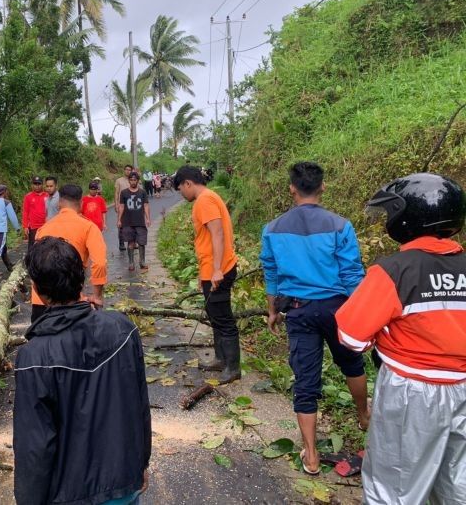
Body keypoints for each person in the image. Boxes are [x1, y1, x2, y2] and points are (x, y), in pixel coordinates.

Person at [336, 172, 466, 504]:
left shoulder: (395, 269)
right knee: (457, 483)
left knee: (392, 486)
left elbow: (351, 335)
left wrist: (381, 336)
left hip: (412, 390)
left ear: (407, 217)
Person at [14, 237, 151, 505]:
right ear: (82, 276)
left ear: (37, 290)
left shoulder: (34, 356)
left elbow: (34, 445)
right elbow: (140, 406)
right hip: (124, 484)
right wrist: (141, 464)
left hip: (69, 495)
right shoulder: (123, 328)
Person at [259, 162, 369, 475]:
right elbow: (351, 274)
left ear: (292, 188)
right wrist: (361, 312)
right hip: (338, 309)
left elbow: (272, 273)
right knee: (351, 363)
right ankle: (363, 415)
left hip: (298, 310)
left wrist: (272, 310)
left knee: (305, 383)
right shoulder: (340, 225)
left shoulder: (273, 228)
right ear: (322, 188)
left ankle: (310, 454)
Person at [173, 165, 239, 384]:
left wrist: (217, 269)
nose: (181, 193)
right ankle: (221, 359)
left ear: (188, 183)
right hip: (211, 270)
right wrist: (205, 275)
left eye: (180, 188)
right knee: (215, 316)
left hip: (219, 270)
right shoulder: (208, 198)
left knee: (223, 318)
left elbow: (217, 234)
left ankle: (232, 367)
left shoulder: (205, 200)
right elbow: (207, 241)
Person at [31, 184, 107, 323]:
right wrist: (97, 296)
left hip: (41, 302)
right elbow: (100, 263)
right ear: (81, 203)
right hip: (71, 301)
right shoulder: (88, 227)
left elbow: (34, 263)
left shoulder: (44, 228)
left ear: (60, 202)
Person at [118, 172, 150, 272]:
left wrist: (148, 218)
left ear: (137, 181)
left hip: (140, 221)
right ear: (129, 181)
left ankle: (142, 262)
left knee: (141, 242)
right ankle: (131, 263)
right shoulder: (124, 193)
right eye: (131, 180)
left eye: (135, 180)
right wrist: (119, 219)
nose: (133, 182)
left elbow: (145, 205)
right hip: (127, 221)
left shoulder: (142, 192)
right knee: (130, 242)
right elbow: (122, 206)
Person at [22, 176, 47, 249]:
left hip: (45, 225)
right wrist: (25, 226)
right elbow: (25, 212)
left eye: (39, 184)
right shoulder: (28, 197)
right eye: (35, 184)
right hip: (33, 226)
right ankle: (30, 260)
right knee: (32, 246)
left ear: (42, 185)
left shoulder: (47, 196)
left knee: (45, 245)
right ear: (32, 185)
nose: (37, 186)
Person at [114, 165, 133, 251]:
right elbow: (116, 193)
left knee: (132, 224)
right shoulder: (119, 181)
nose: (128, 171)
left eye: (130, 170)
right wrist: (116, 204)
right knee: (120, 224)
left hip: (132, 205)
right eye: (127, 170)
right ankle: (121, 243)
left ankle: (132, 242)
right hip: (121, 205)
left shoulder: (133, 180)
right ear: (124, 170)